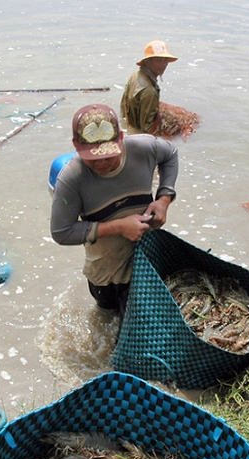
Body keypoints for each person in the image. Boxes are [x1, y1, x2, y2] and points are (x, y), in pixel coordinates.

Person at [51, 104, 178, 320]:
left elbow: (171, 154)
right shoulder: (72, 178)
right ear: (75, 145)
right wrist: (119, 226)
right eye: (93, 157)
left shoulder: (143, 147)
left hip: (144, 258)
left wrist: (164, 199)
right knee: (106, 319)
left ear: (120, 138)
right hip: (105, 272)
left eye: (108, 154)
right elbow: (61, 232)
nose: (101, 162)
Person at [119, 40, 178, 135]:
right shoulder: (149, 91)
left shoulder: (135, 76)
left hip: (129, 126)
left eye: (165, 60)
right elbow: (148, 130)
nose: (163, 64)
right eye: (158, 60)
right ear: (147, 62)